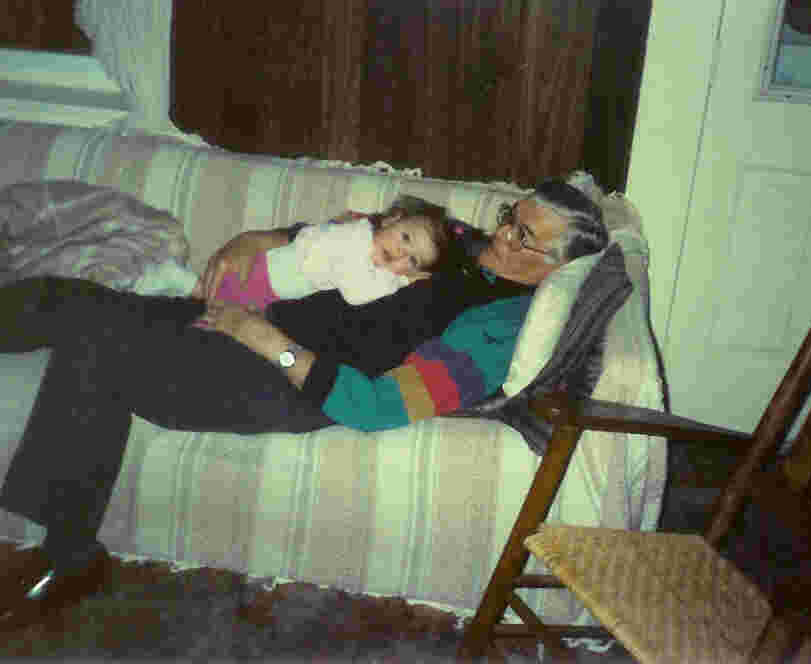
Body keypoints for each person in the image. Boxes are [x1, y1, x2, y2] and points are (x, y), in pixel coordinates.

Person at [0, 178, 608, 630]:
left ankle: (70, 553)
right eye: (509, 217)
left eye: (523, 236)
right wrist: (258, 238)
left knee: (93, 336)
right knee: (70, 300)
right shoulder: (456, 239)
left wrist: (262, 338)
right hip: (247, 323)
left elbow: (376, 405)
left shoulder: (497, 329)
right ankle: (71, 552)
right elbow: (354, 234)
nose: (502, 234)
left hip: (279, 377)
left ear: (558, 268)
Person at [184, 196, 454, 312]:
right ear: (391, 219)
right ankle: (176, 279)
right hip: (263, 276)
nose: (400, 252)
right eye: (405, 238)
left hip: (274, 287)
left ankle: (180, 282)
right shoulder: (355, 241)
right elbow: (356, 294)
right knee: (211, 304)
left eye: (412, 259)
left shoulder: (364, 242)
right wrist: (401, 279)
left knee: (211, 304)